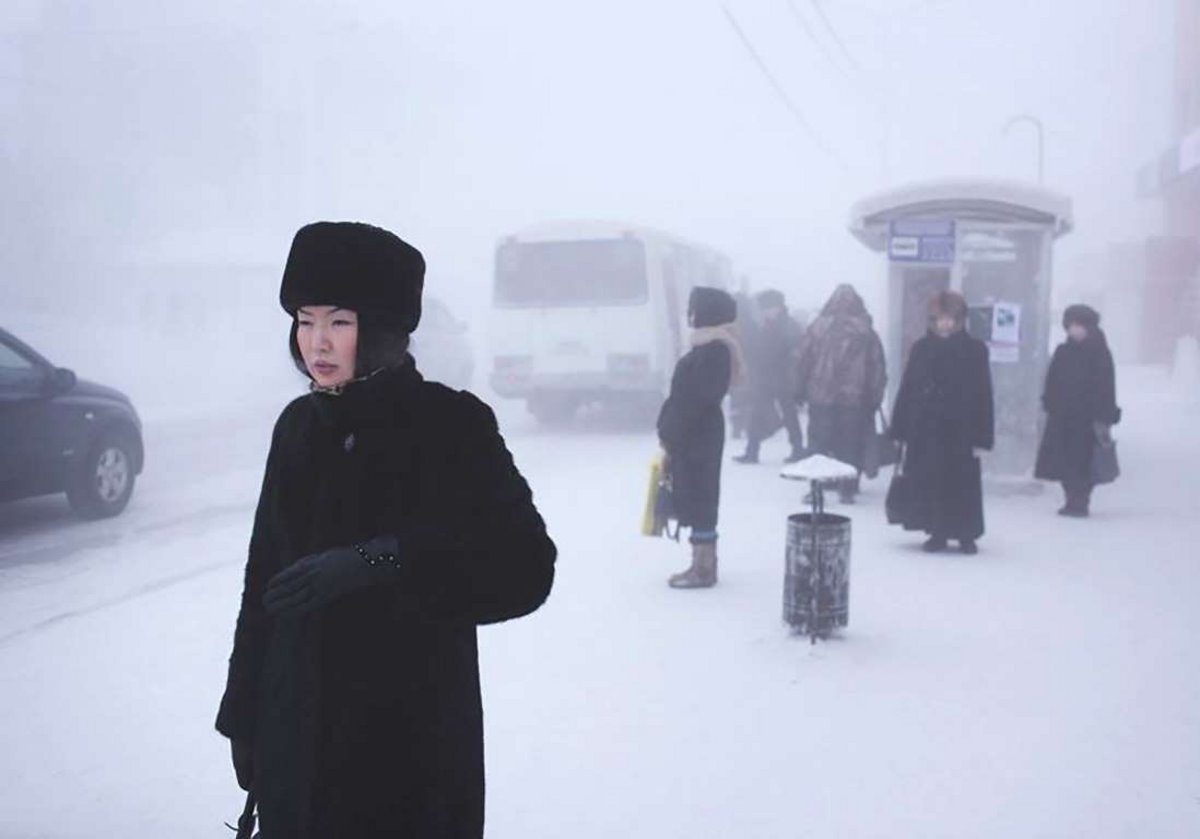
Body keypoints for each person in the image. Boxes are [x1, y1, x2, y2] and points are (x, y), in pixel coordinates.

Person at [215, 221, 556, 837]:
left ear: (382, 331)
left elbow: (526, 567)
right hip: (297, 740)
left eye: (339, 322)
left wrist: (380, 561)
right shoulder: (296, 428)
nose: (317, 342)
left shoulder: (450, 427)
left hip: (408, 757)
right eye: (304, 320)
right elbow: (261, 580)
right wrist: (244, 715)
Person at [889, 290, 994, 554]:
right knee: (931, 480)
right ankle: (937, 532)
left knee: (963, 483)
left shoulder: (974, 350)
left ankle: (966, 534)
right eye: (940, 319)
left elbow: (984, 393)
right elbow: (908, 388)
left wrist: (982, 434)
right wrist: (900, 428)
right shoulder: (922, 348)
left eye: (951, 319)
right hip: (926, 429)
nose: (945, 324)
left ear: (960, 320)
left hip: (962, 429)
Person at [657, 287, 745, 588]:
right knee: (695, 493)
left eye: (693, 309)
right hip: (695, 432)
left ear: (708, 312)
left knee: (701, 496)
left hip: (698, 434)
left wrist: (672, 429)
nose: (689, 315)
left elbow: (697, 397)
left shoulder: (715, 349)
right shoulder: (708, 346)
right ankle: (700, 563)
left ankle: (704, 568)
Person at [795, 284, 887, 503]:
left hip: (821, 396)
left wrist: (799, 390)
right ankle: (847, 488)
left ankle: (816, 488)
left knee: (818, 444)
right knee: (849, 444)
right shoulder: (866, 331)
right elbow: (877, 367)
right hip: (854, 399)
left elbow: (802, 361)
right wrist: (875, 397)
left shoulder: (817, 328)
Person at [1035, 304, 1121, 517]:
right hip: (1063, 416)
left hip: (1087, 419)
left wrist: (1104, 414)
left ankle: (1080, 500)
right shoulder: (1063, 351)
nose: (1075, 330)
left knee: (1084, 462)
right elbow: (1052, 379)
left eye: (1079, 325)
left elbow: (1107, 386)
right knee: (1063, 460)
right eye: (1071, 325)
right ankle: (1071, 498)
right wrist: (1050, 402)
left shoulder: (1100, 353)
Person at [734, 289, 805, 464]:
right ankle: (752, 451)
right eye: (763, 308)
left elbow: (796, 352)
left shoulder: (788, 325)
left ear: (778, 307)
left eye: (767, 308)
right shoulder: (767, 324)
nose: (764, 311)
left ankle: (797, 449)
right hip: (766, 376)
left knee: (789, 414)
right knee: (757, 413)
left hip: (783, 376)